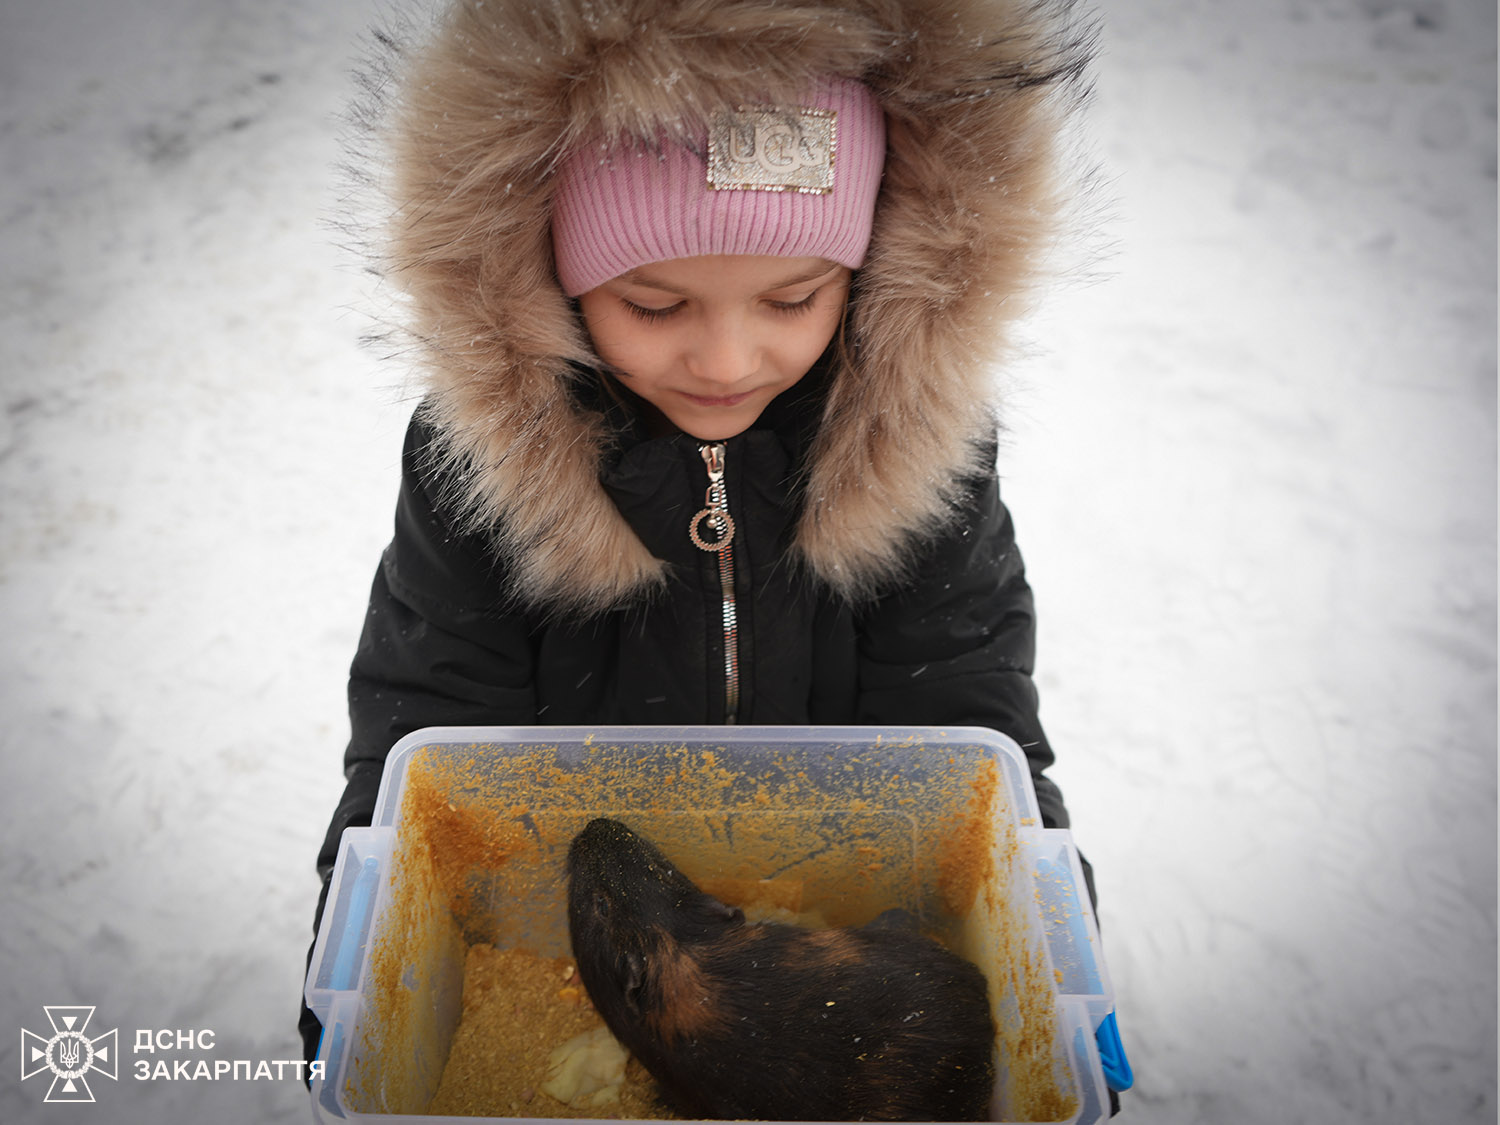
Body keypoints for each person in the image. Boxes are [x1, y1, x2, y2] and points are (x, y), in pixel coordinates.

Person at [302, 0, 1099, 1081]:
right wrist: (365, 907)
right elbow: (428, 711)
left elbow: (962, 698)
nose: (727, 359)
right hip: (558, 925)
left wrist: (1040, 896)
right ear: (553, 272)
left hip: (838, 916)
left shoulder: (914, 442)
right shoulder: (486, 459)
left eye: (791, 296)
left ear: (865, 272)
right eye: (655, 302)